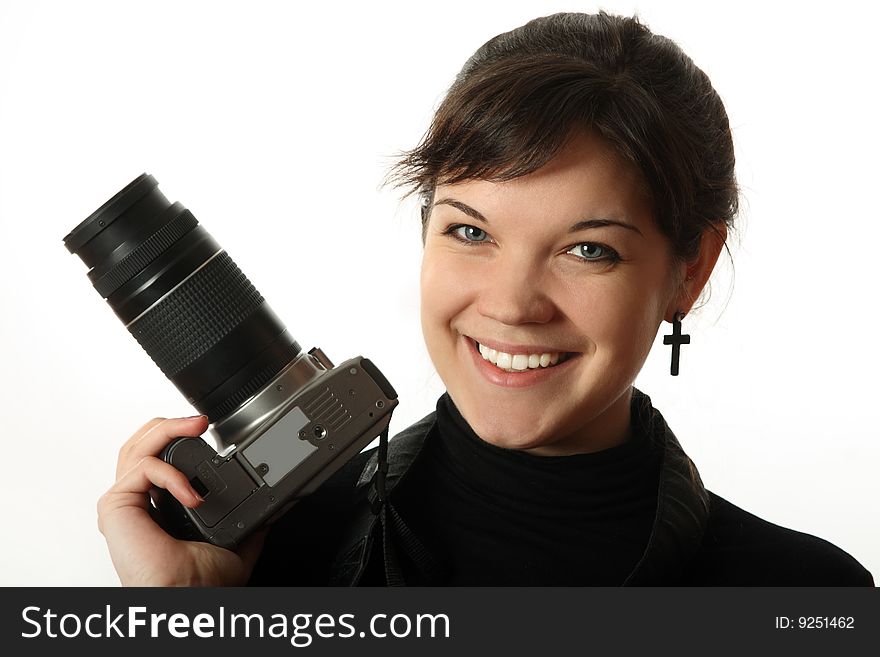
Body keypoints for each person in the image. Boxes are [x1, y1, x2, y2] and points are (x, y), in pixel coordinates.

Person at [97, 11, 874, 586]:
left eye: (587, 249)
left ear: (690, 269)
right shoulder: (265, 552)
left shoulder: (803, 594)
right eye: (471, 232)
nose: (511, 304)